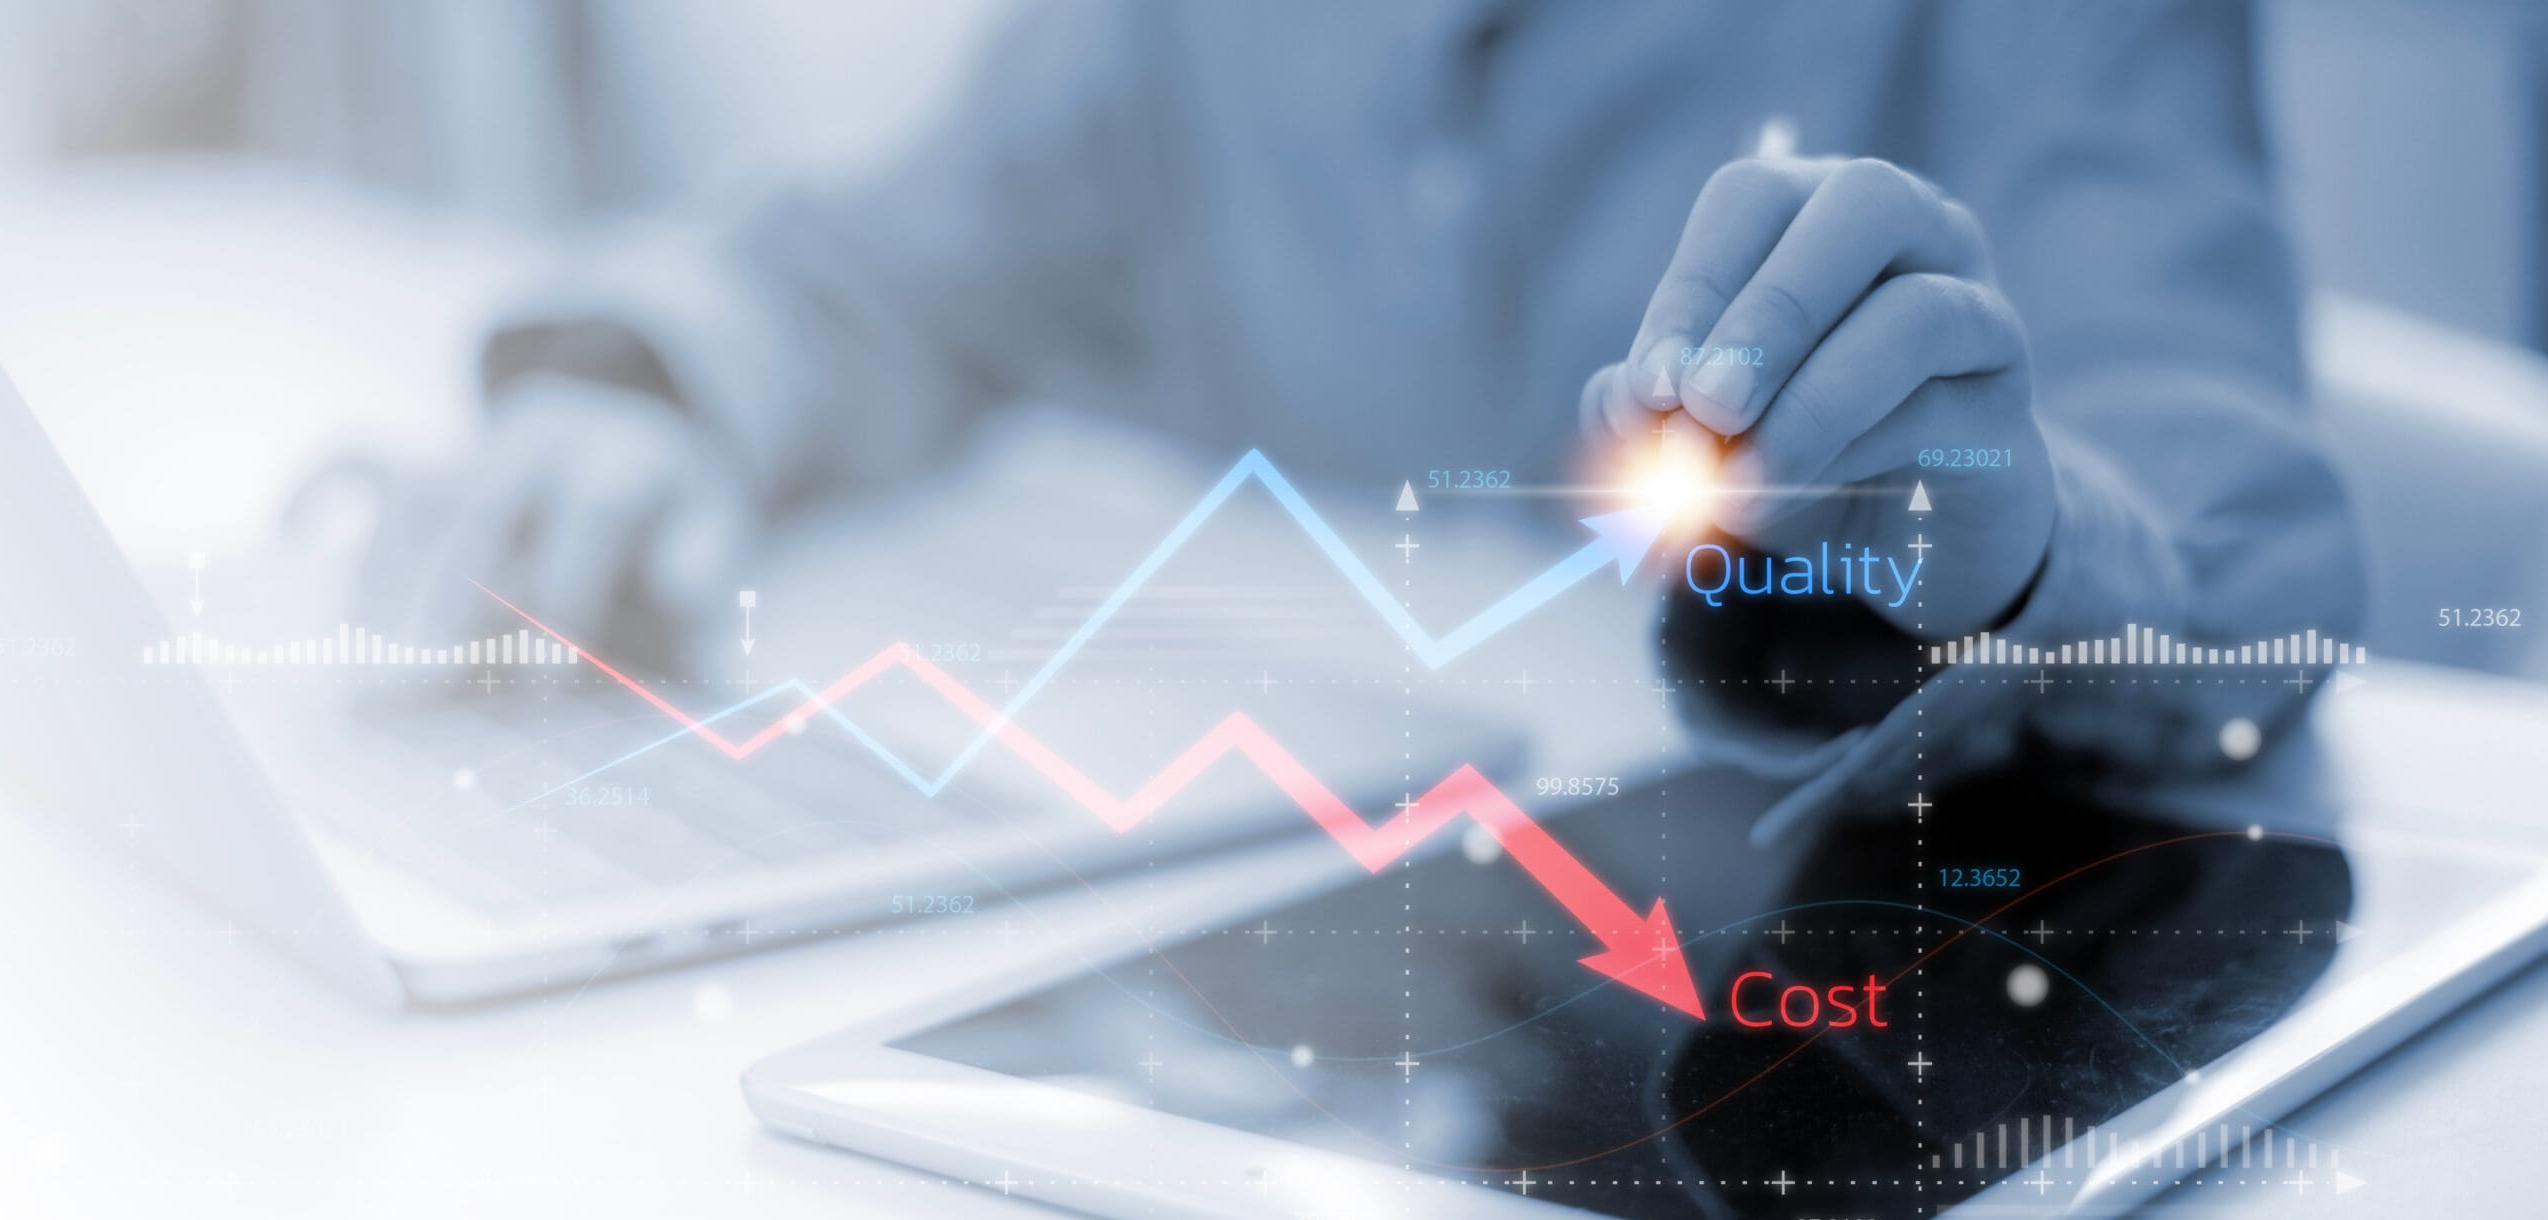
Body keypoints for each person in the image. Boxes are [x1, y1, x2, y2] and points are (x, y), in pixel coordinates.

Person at [345, 0, 2362, 835]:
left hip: (1854, 1001)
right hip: (1361, 1025)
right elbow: (885, 262)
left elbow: (2240, 533)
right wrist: (641, 396)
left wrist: (2003, 543)